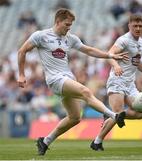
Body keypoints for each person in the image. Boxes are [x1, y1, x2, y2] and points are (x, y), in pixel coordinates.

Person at [17, 8, 129, 155]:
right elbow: (22, 51)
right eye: (67, 24)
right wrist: (21, 74)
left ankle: (45, 141)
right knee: (85, 91)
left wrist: (109, 55)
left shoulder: (70, 38)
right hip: (55, 79)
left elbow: (89, 50)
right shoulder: (41, 36)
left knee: (75, 117)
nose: (69, 27)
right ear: (58, 22)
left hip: (68, 78)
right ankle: (112, 115)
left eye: (70, 25)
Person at [90, 14, 142, 151]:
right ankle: (98, 141)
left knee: (141, 113)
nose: (138, 28)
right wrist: (115, 65)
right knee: (118, 112)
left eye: (140, 26)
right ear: (129, 26)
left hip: (130, 84)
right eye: (135, 26)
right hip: (117, 81)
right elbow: (110, 54)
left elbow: (136, 62)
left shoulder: (141, 42)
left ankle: (110, 115)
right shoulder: (124, 40)